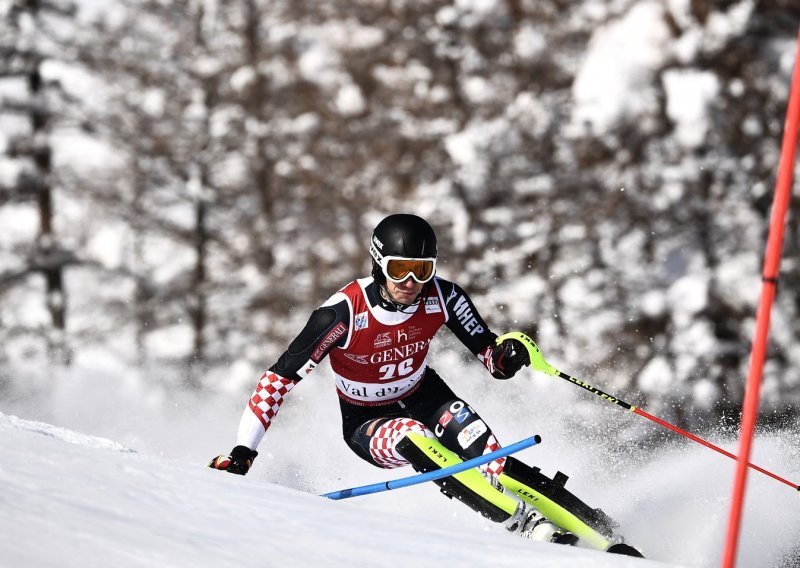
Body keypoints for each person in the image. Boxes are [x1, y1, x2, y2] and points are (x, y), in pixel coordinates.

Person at [210, 213, 641, 556]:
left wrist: (508, 356)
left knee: (491, 456)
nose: (410, 283)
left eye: (422, 269)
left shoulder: (444, 296)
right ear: (379, 263)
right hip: (367, 419)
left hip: (425, 395)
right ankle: (522, 522)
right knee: (413, 437)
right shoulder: (342, 313)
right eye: (400, 269)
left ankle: (599, 529)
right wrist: (244, 452)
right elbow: (277, 380)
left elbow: (491, 358)